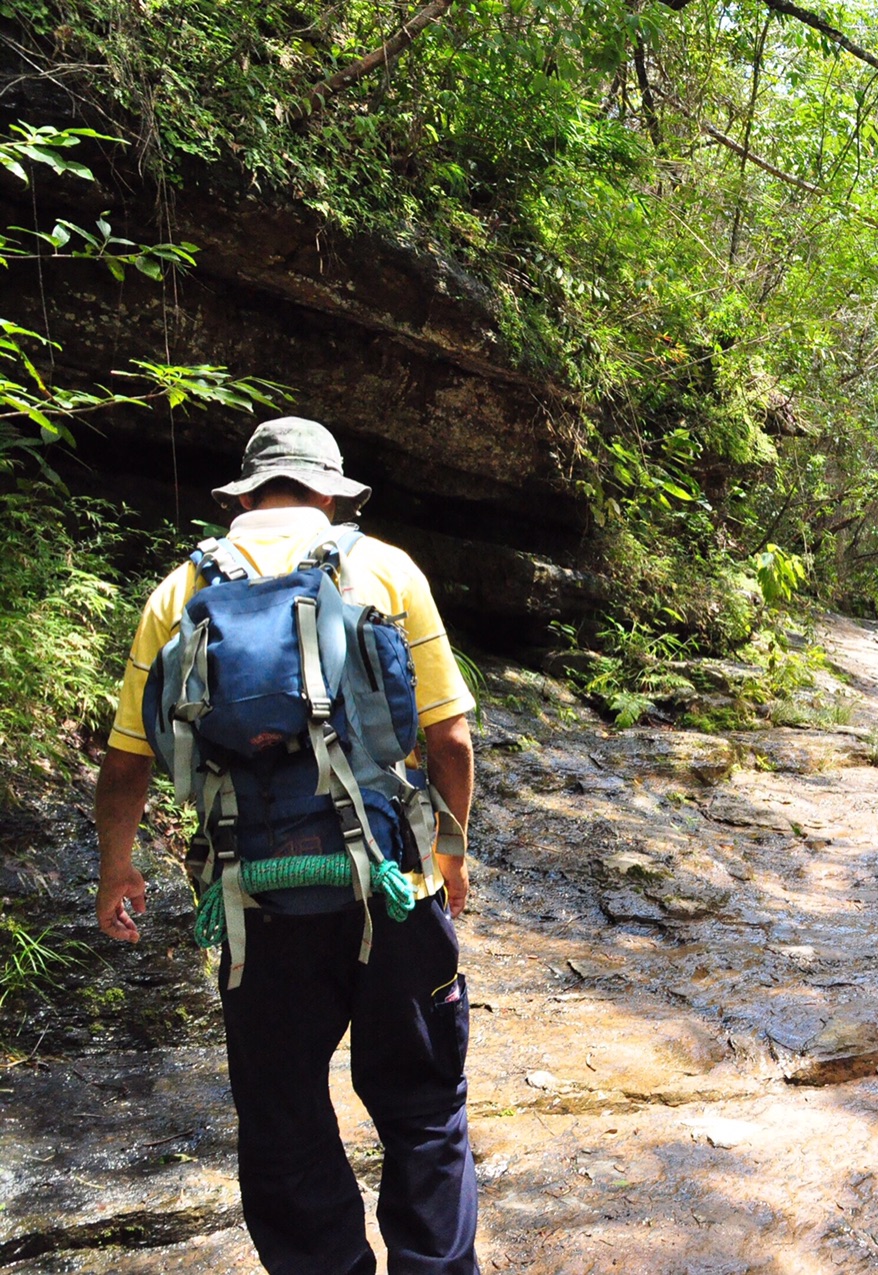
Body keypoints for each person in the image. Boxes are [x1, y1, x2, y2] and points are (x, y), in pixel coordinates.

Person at [93, 416, 480, 1275]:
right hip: (392, 890)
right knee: (421, 1110)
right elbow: (449, 738)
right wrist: (448, 856)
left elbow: (128, 758)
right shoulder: (386, 567)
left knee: (284, 1118)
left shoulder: (178, 590)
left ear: (246, 494)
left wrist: (116, 868)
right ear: (331, 493)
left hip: (255, 902)